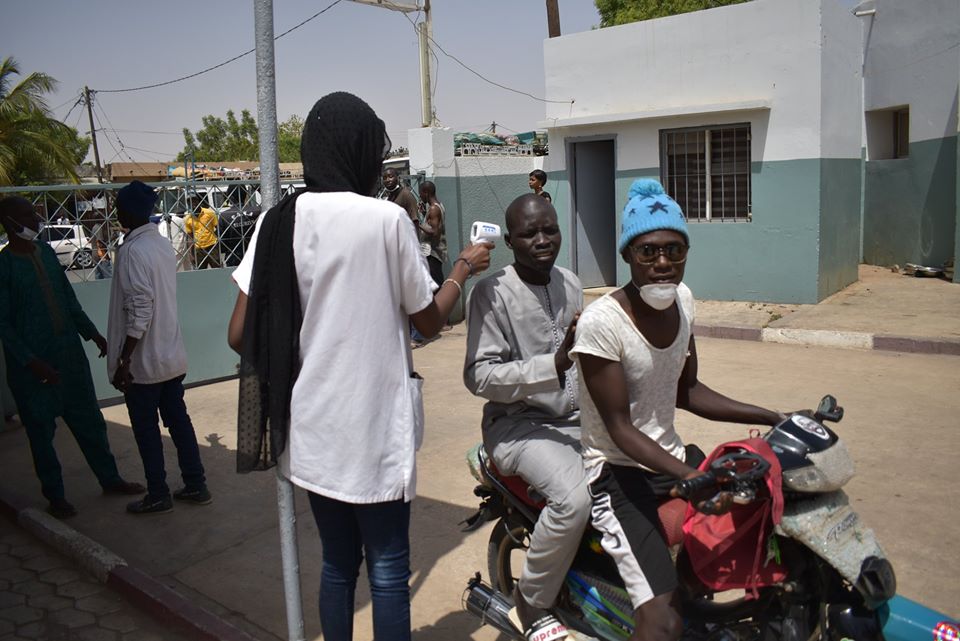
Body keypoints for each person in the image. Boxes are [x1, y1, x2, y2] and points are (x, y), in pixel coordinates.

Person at [226, 91, 492, 641]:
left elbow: (238, 333)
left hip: (312, 431)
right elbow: (427, 322)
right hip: (375, 432)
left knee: (337, 565)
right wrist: (462, 269)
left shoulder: (277, 223)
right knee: (390, 572)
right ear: (363, 152)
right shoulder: (385, 221)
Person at [569, 179, 789, 641]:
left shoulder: (683, 301)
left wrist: (773, 417)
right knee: (663, 621)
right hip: (618, 473)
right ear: (628, 254)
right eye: (648, 252)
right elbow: (619, 428)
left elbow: (687, 391)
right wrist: (687, 478)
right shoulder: (601, 324)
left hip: (669, 459)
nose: (663, 263)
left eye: (674, 250)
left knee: (741, 537)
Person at [464, 193, 589, 641]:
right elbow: (479, 376)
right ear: (511, 240)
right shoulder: (491, 292)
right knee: (575, 499)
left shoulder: (571, 283)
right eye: (528, 233)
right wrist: (550, 366)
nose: (542, 240)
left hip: (575, 419)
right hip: (518, 426)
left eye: (549, 230)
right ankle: (530, 602)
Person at [0, 196, 144, 518]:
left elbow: (68, 298)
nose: (36, 218)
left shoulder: (47, 253)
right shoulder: (4, 266)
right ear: (10, 223)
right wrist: (32, 362)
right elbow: (3, 326)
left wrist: (92, 333)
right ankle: (56, 497)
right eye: (27, 214)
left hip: (69, 355)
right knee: (41, 433)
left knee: (90, 422)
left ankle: (110, 479)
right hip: (33, 370)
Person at [108, 181, 211, 515]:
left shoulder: (134, 251)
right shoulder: (161, 244)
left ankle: (158, 493)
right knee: (178, 423)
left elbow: (141, 309)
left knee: (147, 431)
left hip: (145, 363)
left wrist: (125, 359)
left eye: (119, 207)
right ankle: (196, 484)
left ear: (127, 211)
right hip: (169, 356)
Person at [417, 180, 448, 289]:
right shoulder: (438, 206)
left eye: (420, 194)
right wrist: (425, 214)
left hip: (433, 254)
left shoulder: (434, 209)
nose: (420, 197)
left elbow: (434, 232)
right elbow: (433, 224)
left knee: (436, 286)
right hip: (432, 253)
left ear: (426, 192)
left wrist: (418, 223)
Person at [184, 195, 220, 269]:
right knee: (200, 272)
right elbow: (190, 237)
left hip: (212, 246)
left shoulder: (209, 213)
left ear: (198, 202)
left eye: (194, 201)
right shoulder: (188, 219)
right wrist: (191, 254)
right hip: (199, 249)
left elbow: (218, 228)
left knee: (217, 269)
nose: (193, 204)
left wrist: (217, 242)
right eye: (190, 202)